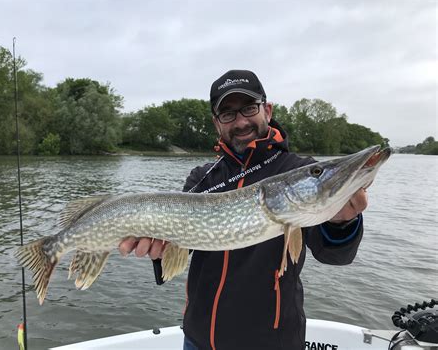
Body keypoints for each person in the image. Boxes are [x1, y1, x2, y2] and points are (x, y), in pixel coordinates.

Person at [119, 70, 367, 350]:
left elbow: (335, 255)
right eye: (228, 113)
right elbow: (178, 248)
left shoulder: (297, 171)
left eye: (249, 108)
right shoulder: (202, 177)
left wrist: (342, 223)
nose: (240, 121)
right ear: (216, 123)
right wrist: (157, 247)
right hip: (199, 339)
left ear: (267, 110)